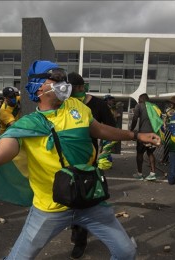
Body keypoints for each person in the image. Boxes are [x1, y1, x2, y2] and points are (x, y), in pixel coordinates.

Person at [0, 60, 161, 259]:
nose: (64, 83)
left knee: (126, 252)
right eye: (56, 79)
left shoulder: (76, 106)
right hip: (49, 209)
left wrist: (136, 136)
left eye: (63, 77)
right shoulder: (28, 125)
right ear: (39, 88)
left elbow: (99, 129)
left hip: (89, 200)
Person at [68, 72, 117, 259]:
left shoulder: (97, 104)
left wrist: (106, 152)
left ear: (82, 87)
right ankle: (75, 227)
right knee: (68, 196)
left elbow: (112, 129)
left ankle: (80, 239)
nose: (70, 94)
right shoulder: (65, 104)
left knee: (84, 200)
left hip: (89, 162)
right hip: (65, 160)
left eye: (73, 90)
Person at [130, 93, 158, 181]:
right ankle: (152, 173)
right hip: (153, 133)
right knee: (150, 153)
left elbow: (135, 118)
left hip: (143, 134)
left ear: (142, 99)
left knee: (140, 153)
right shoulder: (154, 106)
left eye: (139, 98)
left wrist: (132, 129)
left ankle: (140, 174)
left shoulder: (139, 106)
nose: (138, 100)